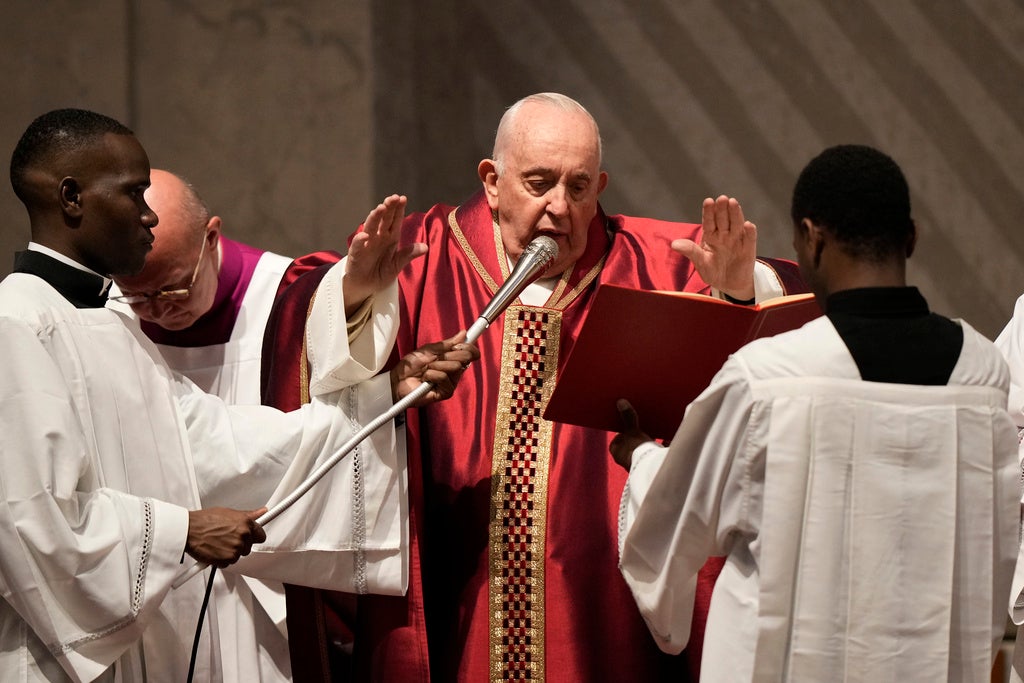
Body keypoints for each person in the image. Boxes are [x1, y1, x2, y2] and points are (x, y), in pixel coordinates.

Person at [272, 92, 805, 681]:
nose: (559, 207)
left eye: (579, 188)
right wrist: (354, 295)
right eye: (538, 182)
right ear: (492, 181)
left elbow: (774, 337)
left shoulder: (657, 269)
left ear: (600, 186)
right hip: (457, 595)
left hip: (602, 617)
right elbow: (307, 315)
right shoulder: (424, 259)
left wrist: (735, 294)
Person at [0, 107, 478, 682]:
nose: (148, 215)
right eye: (132, 194)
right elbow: (29, 518)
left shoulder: (110, 326)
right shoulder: (18, 323)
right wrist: (185, 530)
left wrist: (388, 396)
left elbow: (211, 441)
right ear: (72, 197)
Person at [613, 144, 1019, 681]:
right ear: (913, 237)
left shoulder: (768, 379)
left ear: (810, 238)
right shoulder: (985, 376)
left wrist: (640, 454)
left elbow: (675, 522)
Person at [107, 168, 346, 682]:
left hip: (265, 583)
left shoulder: (291, 297)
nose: (158, 312)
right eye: (139, 295)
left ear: (211, 237)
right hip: (149, 580)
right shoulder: (105, 317)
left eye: (172, 289)